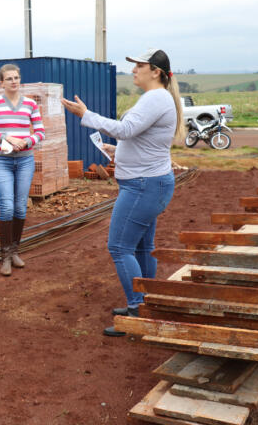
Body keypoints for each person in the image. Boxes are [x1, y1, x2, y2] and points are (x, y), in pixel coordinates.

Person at [61, 49, 183, 336]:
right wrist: (120, 151)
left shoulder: (155, 98)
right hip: (150, 183)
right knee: (141, 246)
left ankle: (137, 309)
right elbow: (141, 138)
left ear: (155, 71)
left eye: (139, 66)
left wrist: (86, 115)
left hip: (143, 186)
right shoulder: (158, 98)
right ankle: (144, 303)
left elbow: (126, 129)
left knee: (119, 247)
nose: (133, 71)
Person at [0, 64, 45, 276]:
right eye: (8, 78)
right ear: (1, 82)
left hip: (25, 160)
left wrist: (27, 141)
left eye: (16, 77)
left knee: (20, 208)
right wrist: (5, 137)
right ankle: (5, 256)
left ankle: (15, 251)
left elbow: (41, 132)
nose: (13, 81)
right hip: (3, 161)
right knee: (7, 207)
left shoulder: (30, 104)